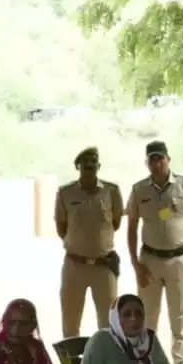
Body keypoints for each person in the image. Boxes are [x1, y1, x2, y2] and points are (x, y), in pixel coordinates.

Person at [126, 140, 183, 364]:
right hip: (150, 260)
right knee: (147, 313)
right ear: (147, 163)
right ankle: (147, 361)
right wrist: (136, 264)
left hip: (179, 260)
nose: (156, 163)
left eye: (160, 158)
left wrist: (181, 232)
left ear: (168, 159)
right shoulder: (139, 190)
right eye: (151, 159)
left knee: (179, 313)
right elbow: (132, 227)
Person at [55, 146, 127, 341]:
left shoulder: (112, 191)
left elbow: (116, 223)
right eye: (84, 164)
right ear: (78, 167)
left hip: (104, 266)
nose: (89, 167)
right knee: (70, 322)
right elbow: (61, 227)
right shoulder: (65, 193)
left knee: (109, 322)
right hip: (74, 265)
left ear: (99, 166)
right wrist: (79, 245)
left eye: (92, 163)